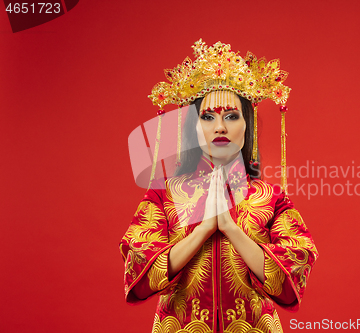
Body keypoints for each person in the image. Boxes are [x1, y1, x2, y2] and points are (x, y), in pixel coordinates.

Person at [120, 39, 319, 333]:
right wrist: (202, 229)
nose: (220, 127)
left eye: (231, 116)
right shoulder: (165, 195)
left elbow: (294, 267)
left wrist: (230, 228)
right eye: (208, 117)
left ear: (246, 123)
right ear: (193, 127)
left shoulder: (271, 198)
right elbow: (138, 261)